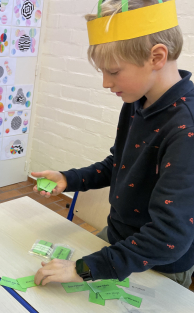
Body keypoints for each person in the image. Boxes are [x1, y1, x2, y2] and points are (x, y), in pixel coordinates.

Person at [33, 0, 194, 288]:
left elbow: (169, 236)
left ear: (157, 57)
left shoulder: (186, 129)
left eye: (114, 71)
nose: (106, 83)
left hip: (160, 266)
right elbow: (120, 164)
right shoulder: (137, 100)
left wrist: (84, 269)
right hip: (118, 242)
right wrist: (69, 179)